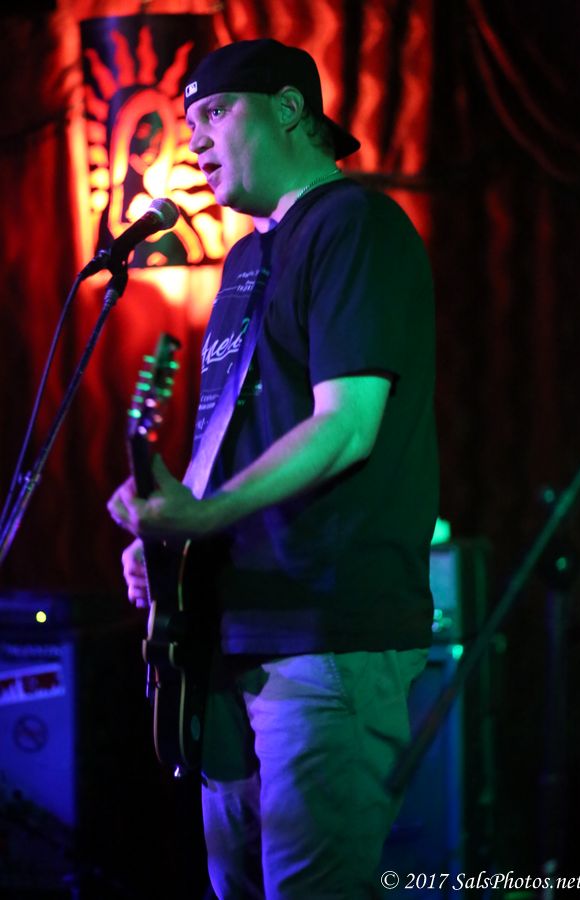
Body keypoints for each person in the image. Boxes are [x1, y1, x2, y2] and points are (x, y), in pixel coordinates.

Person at [107, 38, 438, 900]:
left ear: (290, 108)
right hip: (232, 626)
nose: (195, 139)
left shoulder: (353, 225)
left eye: (215, 112)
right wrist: (171, 538)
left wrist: (205, 514)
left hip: (325, 627)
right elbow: (234, 442)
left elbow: (347, 426)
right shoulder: (246, 259)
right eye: (188, 121)